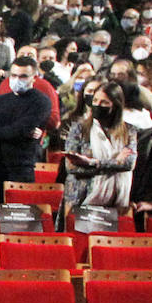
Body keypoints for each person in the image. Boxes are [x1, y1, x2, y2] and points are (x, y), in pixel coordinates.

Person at [0, 56, 51, 201]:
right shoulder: (0, 100)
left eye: (23, 76)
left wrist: (1, 131)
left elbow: (18, 131)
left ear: (34, 77)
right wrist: (14, 131)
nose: (17, 79)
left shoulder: (41, 101)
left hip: (20, 167)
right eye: (14, 75)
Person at [62, 81, 139, 209]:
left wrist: (91, 163)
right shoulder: (79, 129)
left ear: (115, 105)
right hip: (82, 198)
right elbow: (71, 167)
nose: (98, 105)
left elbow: (128, 164)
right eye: (96, 100)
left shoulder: (129, 130)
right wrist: (115, 162)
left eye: (104, 102)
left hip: (117, 199)